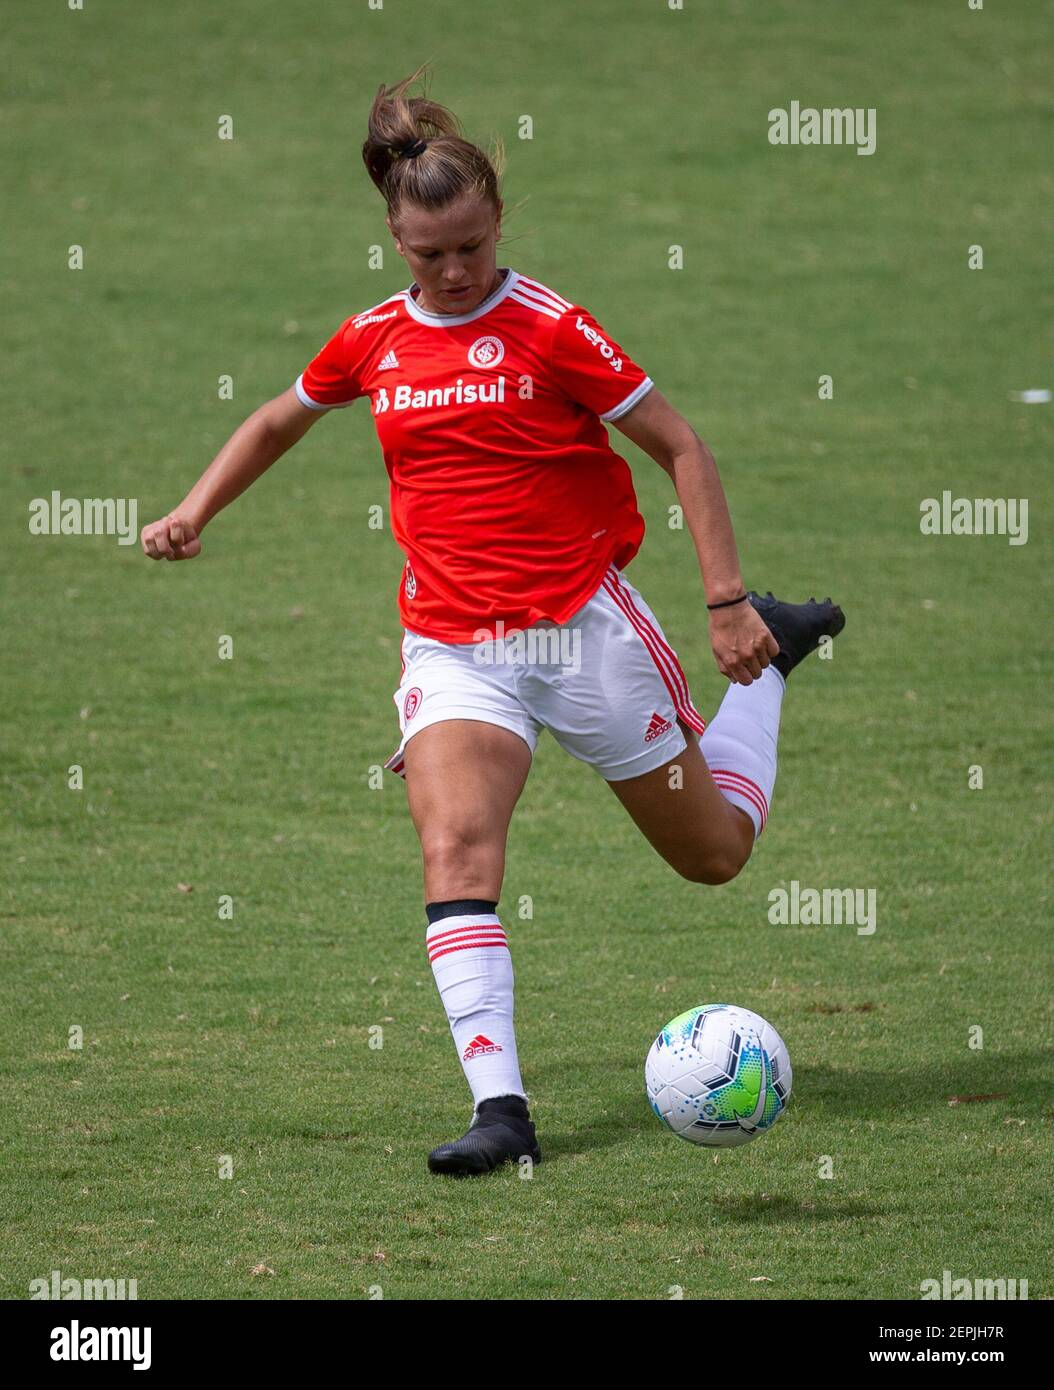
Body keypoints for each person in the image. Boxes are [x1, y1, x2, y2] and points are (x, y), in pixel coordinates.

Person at [141, 66, 844, 1178]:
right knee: (454, 845)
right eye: (431, 254)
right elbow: (281, 417)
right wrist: (192, 508)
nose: (455, 270)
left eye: (471, 245)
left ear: (497, 222)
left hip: (582, 634)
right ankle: (501, 1110)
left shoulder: (550, 326)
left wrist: (721, 602)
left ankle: (765, 669)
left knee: (714, 857)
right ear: (394, 238)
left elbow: (680, 445)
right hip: (453, 646)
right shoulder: (371, 339)